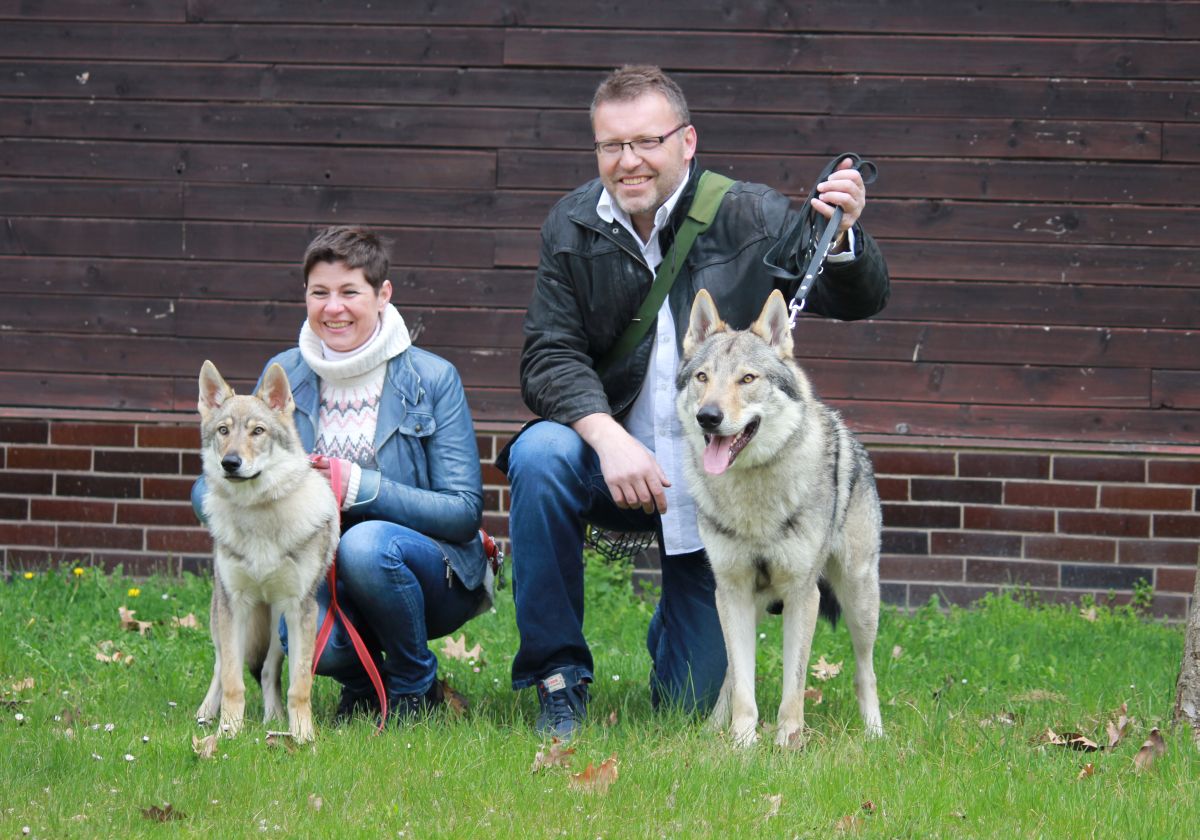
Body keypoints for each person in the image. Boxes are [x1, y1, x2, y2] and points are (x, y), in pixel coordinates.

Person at [499, 65, 890, 740]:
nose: (629, 161)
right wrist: (610, 438)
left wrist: (845, 234)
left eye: (647, 141)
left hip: (720, 486)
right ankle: (557, 679)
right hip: (616, 468)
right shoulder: (569, 226)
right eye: (611, 146)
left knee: (685, 705)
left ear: (687, 141)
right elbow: (548, 357)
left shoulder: (752, 212)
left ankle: (679, 630)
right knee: (539, 454)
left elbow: (855, 298)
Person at [192, 225, 492, 724]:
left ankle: (415, 685)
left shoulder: (433, 378)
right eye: (320, 293)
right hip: (313, 568)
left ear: (382, 295)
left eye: (350, 292)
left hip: (423, 570)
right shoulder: (285, 370)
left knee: (366, 546)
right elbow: (238, 458)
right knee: (313, 638)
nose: (334, 308)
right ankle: (361, 687)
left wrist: (360, 487)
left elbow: (463, 512)